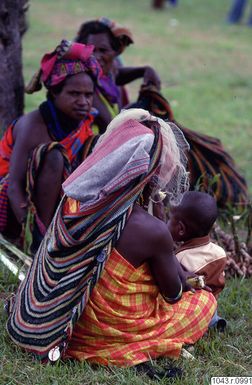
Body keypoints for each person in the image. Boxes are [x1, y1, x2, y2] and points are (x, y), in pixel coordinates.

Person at [6, 109, 216, 375]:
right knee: (205, 303)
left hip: (57, 320)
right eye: (159, 170)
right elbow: (173, 294)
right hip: (105, 333)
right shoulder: (151, 229)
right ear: (147, 172)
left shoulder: (77, 199)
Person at [0, 39, 101, 254]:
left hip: (54, 203)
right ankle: (40, 247)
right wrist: (34, 233)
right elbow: (14, 187)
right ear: (55, 93)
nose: (83, 101)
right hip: (12, 207)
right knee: (54, 156)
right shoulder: (33, 126)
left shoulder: (85, 122)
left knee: (95, 147)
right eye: (74, 94)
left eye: (88, 95)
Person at [74, 17, 161, 134]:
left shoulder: (107, 73)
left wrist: (145, 70)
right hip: (94, 147)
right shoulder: (85, 83)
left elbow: (117, 74)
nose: (96, 56)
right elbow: (111, 127)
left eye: (103, 50)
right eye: (91, 50)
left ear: (115, 53)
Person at [168, 190, 227, 330]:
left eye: (170, 219)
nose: (167, 222)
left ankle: (208, 323)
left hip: (190, 308)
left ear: (181, 229)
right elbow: (220, 282)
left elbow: (176, 285)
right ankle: (214, 319)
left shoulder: (181, 258)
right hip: (211, 304)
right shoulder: (220, 253)